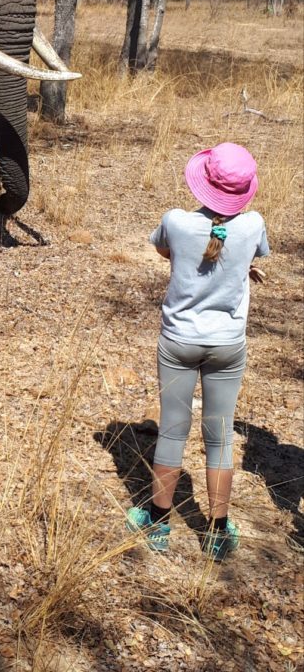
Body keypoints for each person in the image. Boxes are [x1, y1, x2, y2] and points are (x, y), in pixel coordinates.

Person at [126, 142, 269, 560]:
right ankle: (218, 531)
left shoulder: (176, 221)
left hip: (179, 341)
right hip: (227, 344)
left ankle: (157, 521)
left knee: (173, 429)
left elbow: (166, 250)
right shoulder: (254, 223)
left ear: (203, 182)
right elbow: (244, 252)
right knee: (220, 437)